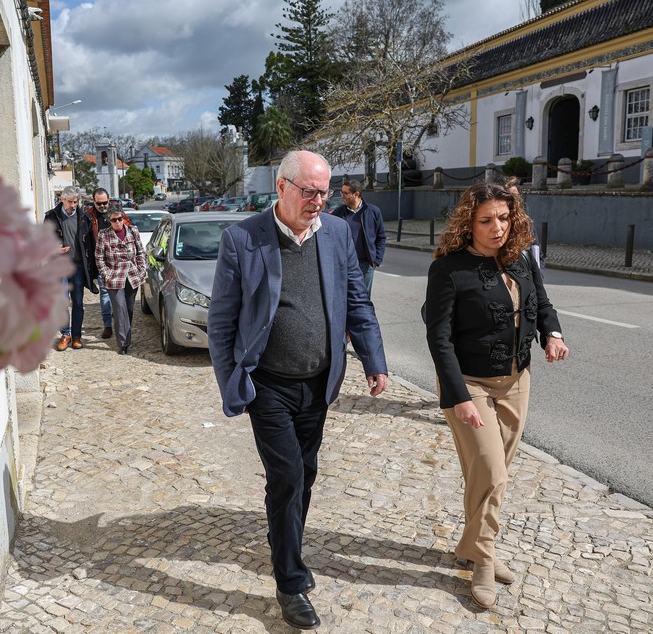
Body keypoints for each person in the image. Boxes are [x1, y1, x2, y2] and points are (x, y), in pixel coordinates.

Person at [208, 150, 389, 630]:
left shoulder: (337, 234)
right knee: (287, 476)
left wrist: (374, 360)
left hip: (320, 381)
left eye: (324, 192)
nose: (318, 201)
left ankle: (284, 537)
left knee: (304, 476)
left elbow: (356, 300)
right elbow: (222, 322)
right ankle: (291, 581)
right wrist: (231, 380)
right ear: (283, 188)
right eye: (309, 191)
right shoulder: (242, 239)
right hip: (268, 385)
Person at [424, 182, 569, 610]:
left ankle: (471, 546)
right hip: (469, 383)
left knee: (490, 476)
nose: (497, 227)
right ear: (468, 223)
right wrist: (458, 396)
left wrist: (553, 333)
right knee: (492, 472)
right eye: (486, 220)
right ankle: (483, 560)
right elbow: (439, 337)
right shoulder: (448, 269)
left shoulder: (520, 257)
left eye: (504, 218)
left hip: (516, 380)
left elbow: (542, 303)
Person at [43, 186, 98, 351]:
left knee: (78, 303)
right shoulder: (51, 217)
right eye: (70, 202)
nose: (73, 205)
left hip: (79, 266)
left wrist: (93, 270)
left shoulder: (84, 218)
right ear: (62, 199)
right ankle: (65, 334)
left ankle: (76, 336)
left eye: (75, 202)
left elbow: (91, 244)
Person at [94, 208, 147, 355]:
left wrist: (142, 268)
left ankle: (125, 333)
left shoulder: (133, 231)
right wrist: (106, 274)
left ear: (123, 218)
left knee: (129, 308)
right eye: (114, 220)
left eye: (119, 218)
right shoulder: (103, 235)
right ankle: (123, 344)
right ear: (109, 221)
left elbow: (140, 251)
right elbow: (99, 257)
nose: (117, 222)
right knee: (119, 308)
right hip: (114, 277)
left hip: (132, 275)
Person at [87, 188, 130, 340]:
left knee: (120, 297)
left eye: (105, 202)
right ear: (94, 202)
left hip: (121, 264)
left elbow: (129, 228)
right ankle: (107, 325)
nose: (103, 206)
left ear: (109, 200)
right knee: (105, 295)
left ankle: (121, 323)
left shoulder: (117, 211)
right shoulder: (89, 216)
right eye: (99, 203)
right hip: (103, 263)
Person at [330, 180, 386, 293]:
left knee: (363, 297)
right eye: (341, 192)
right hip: (344, 264)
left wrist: (377, 259)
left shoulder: (373, 212)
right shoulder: (337, 214)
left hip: (365, 264)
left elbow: (381, 237)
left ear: (356, 194)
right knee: (344, 296)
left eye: (345, 193)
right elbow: (332, 240)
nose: (342, 196)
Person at [505, 178, 544, 275]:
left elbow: (537, 253)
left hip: (527, 277)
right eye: (508, 196)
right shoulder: (499, 223)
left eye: (515, 196)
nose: (513, 199)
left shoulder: (526, 223)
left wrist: (539, 275)